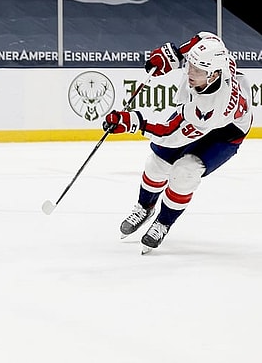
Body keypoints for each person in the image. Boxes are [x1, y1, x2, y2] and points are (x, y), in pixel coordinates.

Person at [103, 31, 252, 254]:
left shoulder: (210, 108)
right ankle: (145, 207)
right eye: (190, 65)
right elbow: (205, 37)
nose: (190, 72)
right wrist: (173, 54)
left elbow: (169, 134)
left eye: (198, 70)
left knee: (186, 171)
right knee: (158, 164)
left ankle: (163, 222)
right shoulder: (216, 57)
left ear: (213, 76)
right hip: (195, 117)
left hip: (225, 133)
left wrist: (132, 121)